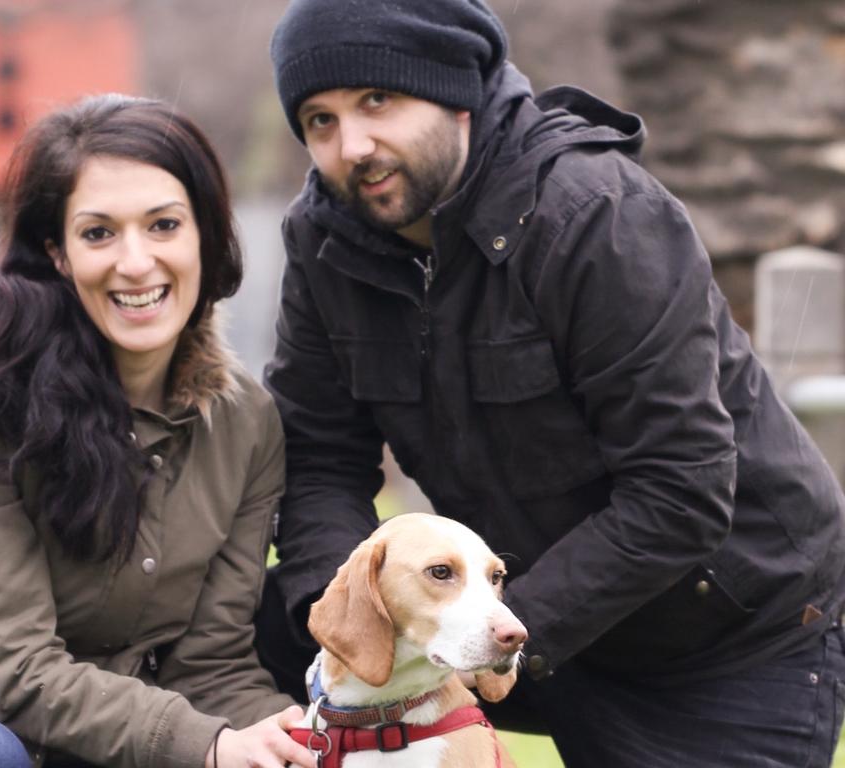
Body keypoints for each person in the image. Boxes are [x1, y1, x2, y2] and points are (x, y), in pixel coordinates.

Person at [257, 1, 845, 766]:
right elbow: (319, 457)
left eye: (378, 101)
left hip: (723, 639)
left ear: (457, 91)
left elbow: (681, 488)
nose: (353, 146)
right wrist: (343, 625)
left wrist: (498, 636)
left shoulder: (599, 215)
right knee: (225, 634)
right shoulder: (324, 236)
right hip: (515, 614)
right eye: (319, 120)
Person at [0, 94, 316, 768]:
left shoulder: (245, 425)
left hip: (91, 751)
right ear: (57, 253)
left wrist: (307, 744)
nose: (136, 262)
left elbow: (213, 668)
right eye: (98, 233)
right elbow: (17, 669)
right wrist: (208, 746)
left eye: (165, 225)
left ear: (206, 233)